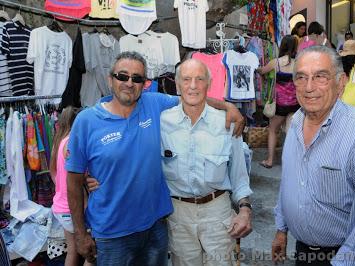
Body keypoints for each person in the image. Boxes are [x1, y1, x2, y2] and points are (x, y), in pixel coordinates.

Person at [66, 51, 245, 266]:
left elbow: (192, 96)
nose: (129, 83)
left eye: (137, 78)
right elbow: (72, 181)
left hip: (155, 228)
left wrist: (228, 106)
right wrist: (80, 233)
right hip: (112, 233)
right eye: (122, 76)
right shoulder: (86, 121)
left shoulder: (154, 105)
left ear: (145, 84)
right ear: (110, 79)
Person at [272, 45, 355, 265]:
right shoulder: (295, 124)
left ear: (341, 83)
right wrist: (281, 228)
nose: (309, 87)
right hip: (303, 252)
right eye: (301, 77)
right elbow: (289, 182)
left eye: (320, 77)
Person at [161, 59, 253, 266]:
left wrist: (245, 210)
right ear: (177, 85)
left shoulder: (228, 123)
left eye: (199, 79)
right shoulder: (161, 122)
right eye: (186, 79)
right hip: (178, 216)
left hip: (217, 213)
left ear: (208, 85)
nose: (193, 85)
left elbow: (239, 177)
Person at [50, 106, 93, 266]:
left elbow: (55, 175)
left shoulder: (59, 143)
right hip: (72, 208)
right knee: (92, 253)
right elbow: (79, 174)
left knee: (73, 250)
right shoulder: (72, 144)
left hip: (60, 207)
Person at [257, 35, 299, 168]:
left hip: (280, 104)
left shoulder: (276, 62)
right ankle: (292, 163)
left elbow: (262, 71)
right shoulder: (298, 63)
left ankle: (270, 160)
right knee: (291, 133)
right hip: (295, 103)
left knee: (273, 130)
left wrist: (256, 68)